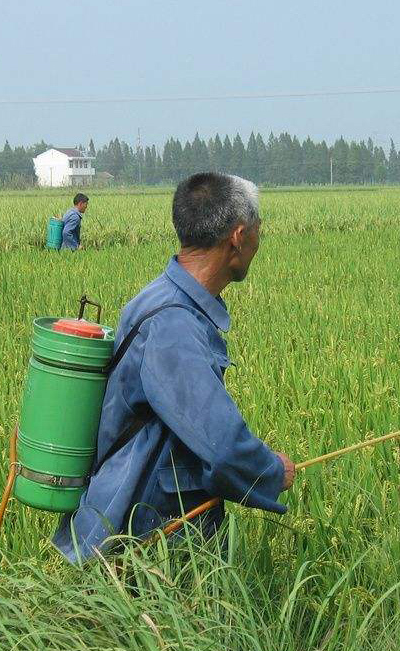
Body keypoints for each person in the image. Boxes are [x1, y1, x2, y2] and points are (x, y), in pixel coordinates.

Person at [53, 172, 296, 562]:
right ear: (237, 237)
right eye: (257, 230)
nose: (258, 240)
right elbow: (221, 444)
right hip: (145, 536)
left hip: (138, 519)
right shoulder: (174, 326)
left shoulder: (158, 296)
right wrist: (269, 471)